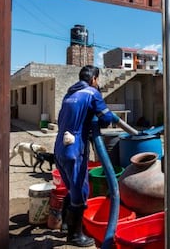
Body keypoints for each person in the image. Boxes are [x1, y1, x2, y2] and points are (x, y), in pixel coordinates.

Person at [54, 65, 119, 247]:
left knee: (71, 188)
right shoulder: (91, 93)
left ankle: (66, 225)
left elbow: (62, 120)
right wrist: (106, 119)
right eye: (98, 80)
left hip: (60, 146)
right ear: (94, 79)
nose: (98, 83)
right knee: (81, 192)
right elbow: (106, 118)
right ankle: (75, 236)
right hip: (75, 149)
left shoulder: (69, 95)